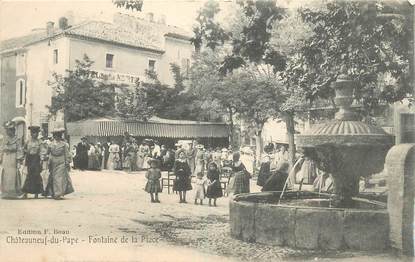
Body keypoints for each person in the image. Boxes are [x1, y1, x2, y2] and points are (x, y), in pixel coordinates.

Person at [44, 125, 74, 200]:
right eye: (55, 136)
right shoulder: (50, 144)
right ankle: (54, 192)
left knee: (59, 178)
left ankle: (58, 193)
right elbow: (47, 153)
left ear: (60, 136)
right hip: (53, 162)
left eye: (58, 136)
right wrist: (46, 157)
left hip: (61, 162)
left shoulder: (64, 145)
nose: (57, 137)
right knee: (53, 177)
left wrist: (67, 162)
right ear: (54, 136)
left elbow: (67, 154)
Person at [0, 120, 24, 199]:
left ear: (13, 130)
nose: (8, 132)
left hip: (13, 157)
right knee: (6, 172)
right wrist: (1, 157)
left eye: (10, 130)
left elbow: (20, 150)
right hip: (6, 158)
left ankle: (13, 192)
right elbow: (1, 148)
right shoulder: (4, 139)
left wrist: (19, 160)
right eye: (7, 130)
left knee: (13, 173)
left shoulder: (17, 139)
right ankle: (6, 192)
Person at [22, 126, 44, 198]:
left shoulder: (40, 142)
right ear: (31, 133)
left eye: (36, 133)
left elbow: (41, 151)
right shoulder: (28, 141)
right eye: (33, 133)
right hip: (29, 159)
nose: (35, 134)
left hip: (36, 159)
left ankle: (36, 193)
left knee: (36, 175)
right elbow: (23, 149)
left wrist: (41, 160)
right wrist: (26, 152)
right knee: (29, 175)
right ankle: (25, 193)